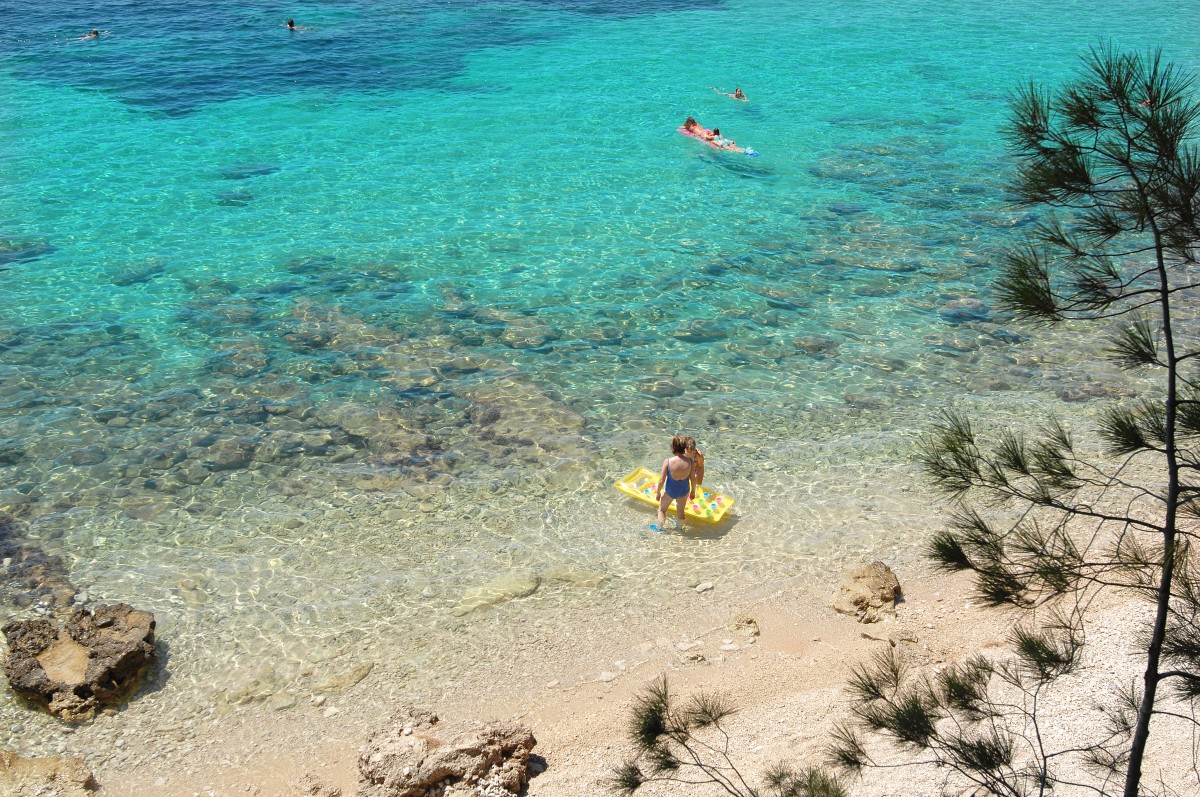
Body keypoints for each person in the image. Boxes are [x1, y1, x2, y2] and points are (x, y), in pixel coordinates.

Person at [653, 435, 694, 531]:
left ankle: (659, 529)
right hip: (684, 492)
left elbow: (661, 480)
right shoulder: (690, 461)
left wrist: (658, 492)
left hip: (670, 491)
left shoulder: (668, 462)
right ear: (684, 447)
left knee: (662, 510)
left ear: (673, 447)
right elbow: (693, 479)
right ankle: (679, 529)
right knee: (681, 513)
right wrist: (693, 491)